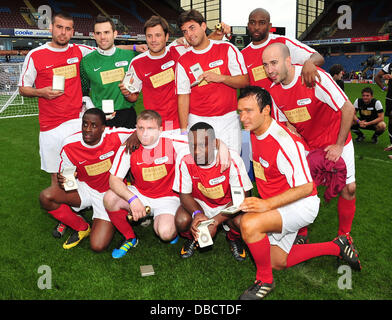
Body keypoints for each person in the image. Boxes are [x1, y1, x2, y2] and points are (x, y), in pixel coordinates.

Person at [237, 86, 360, 300]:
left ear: (266, 110)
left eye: (248, 111)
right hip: (279, 203)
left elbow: (305, 188)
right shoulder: (253, 133)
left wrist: (266, 205)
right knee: (277, 261)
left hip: (301, 204)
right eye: (240, 111)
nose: (243, 117)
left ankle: (264, 281)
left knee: (248, 224)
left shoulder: (284, 141)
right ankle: (336, 247)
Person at [263, 43, 357, 243]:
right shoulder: (274, 91)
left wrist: (339, 145)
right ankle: (302, 234)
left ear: (288, 61)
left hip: (336, 138)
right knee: (303, 189)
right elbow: (284, 125)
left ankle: (344, 236)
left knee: (349, 189)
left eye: (273, 63)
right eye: (265, 65)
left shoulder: (315, 77)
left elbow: (348, 109)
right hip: (309, 145)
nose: (269, 70)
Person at [39, 108, 134, 250]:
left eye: (94, 125)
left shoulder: (116, 135)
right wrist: (64, 181)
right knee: (46, 197)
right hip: (86, 188)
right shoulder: (70, 145)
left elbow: (144, 130)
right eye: (85, 124)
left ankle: (114, 215)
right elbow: (68, 181)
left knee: (97, 245)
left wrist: (135, 135)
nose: (88, 129)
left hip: (110, 194)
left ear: (103, 128)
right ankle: (81, 227)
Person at [103, 110, 189, 259]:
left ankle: (168, 224)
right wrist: (132, 199)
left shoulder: (172, 141)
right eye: (141, 128)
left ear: (161, 130)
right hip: (141, 194)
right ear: (136, 128)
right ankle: (130, 237)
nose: (144, 133)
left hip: (168, 198)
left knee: (165, 234)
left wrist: (221, 147)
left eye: (150, 128)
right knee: (109, 198)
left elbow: (204, 140)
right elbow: (114, 180)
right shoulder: (129, 147)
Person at [173, 122, 253, 261]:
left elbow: (241, 199)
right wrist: (197, 215)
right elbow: (184, 194)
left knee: (243, 222)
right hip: (201, 203)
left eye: (203, 145)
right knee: (181, 220)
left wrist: (215, 221)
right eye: (193, 146)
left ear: (214, 144)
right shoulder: (184, 158)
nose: (197, 151)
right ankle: (193, 237)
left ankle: (233, 237)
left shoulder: (231, 158)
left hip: (228, 204)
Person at [176, 9, 249, 153]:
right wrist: (184, 130)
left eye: (192, 28)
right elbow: (183, 96)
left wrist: (221, 78)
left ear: (203, 26)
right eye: (185, 31)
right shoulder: (183, 61)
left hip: (228, 120)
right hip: (198, 121)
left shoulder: (227, 48)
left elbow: (245, 81)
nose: (189, 34)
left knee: (232, 163)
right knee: (203, 165)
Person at [121, 15, 186, 133]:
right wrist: (126, 93)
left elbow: (201, 43)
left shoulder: (178, 51)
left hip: (180, 122)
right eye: (149, 36)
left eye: (158, 35)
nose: (153, 40)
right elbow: (133, 97)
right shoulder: (137, 63)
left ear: (166, 37)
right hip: (154, 124)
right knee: (158, 151)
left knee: (182, 151)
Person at [241, 8, 324, 89]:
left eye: (262, 23)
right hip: (261, 102)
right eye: (252, 23)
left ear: (269, 26)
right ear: (248, 25)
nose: (256, 27)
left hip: (287, 101)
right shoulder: (242, 55)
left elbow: (318, 57)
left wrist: (309, 63)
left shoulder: (283, 42)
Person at [80, 16, 138, 129]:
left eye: (106, 32)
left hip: (128, 116)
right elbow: (83, 92)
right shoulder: (86, 62)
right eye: (98, 33)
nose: (102, 37)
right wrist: (95, 112)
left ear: (115, 34)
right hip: (102, 118)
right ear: (94, 35)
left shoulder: (130, 56)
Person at [375, 62, 392, 151]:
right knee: (390, 119)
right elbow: (377, 77)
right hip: (390, 97)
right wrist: (383, 87)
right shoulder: (389, 66)